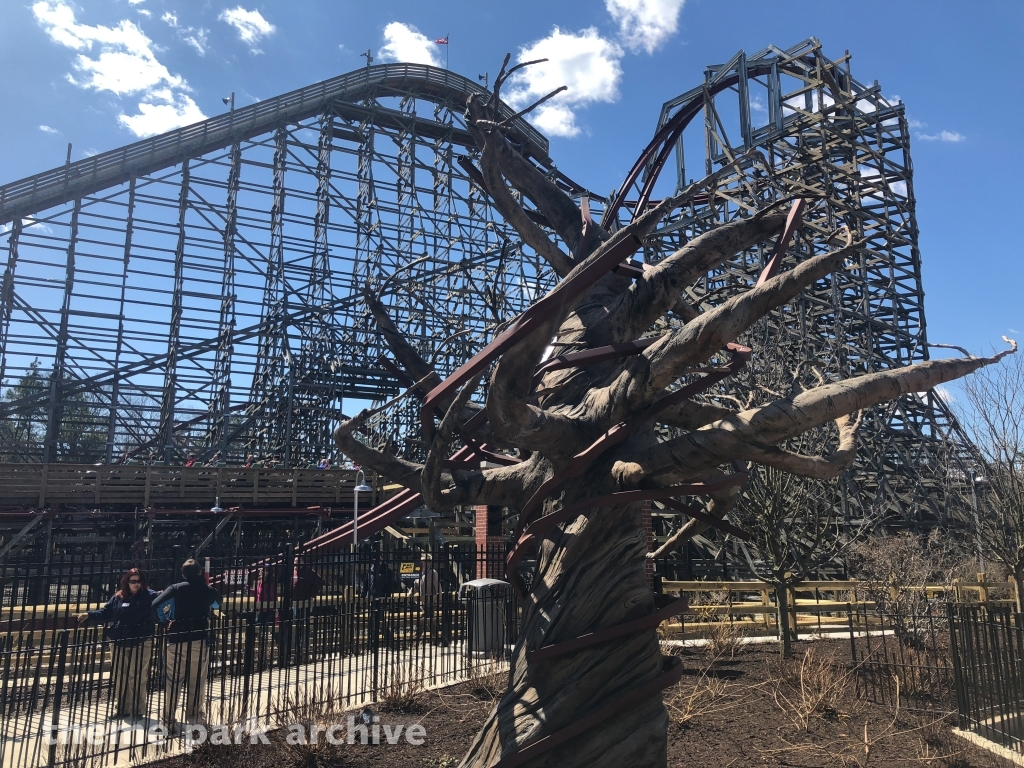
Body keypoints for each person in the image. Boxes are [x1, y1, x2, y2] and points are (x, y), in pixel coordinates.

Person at [76, 568, 158, 719]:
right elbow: (106, 612)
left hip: (140, 640)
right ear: (127, 582)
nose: (136, 584)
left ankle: (138, 709)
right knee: (121, 676)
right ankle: (122, 709)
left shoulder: (150, 596)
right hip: (119, 640)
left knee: (138, 675)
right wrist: (89, 615)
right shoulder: (119, 597)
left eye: (139, 581)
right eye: (132, 581)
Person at [152, 559, 221, 731]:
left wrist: (164, 621)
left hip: (176, 637)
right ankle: (194, 715)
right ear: (199, 572)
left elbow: (156, 605)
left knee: (173, 680)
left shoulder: (175, 589)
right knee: (197, 680)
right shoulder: (208, 590)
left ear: (183, 574)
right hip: (198, 637)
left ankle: (169, 719)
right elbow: (218, 604)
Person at [410, 554, 447, 645]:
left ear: (428, 563)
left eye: (424, 562)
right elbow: (415, 586)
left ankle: (416, 640)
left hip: (431, 601)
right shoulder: (419, 573)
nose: (422, 563)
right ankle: (436, 639)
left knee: (423, 620)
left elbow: (438, 587)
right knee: (431, 621)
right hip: (423, 602)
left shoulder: (433, 573)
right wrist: (410, 594)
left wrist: (440, 600)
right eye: (421, 561)